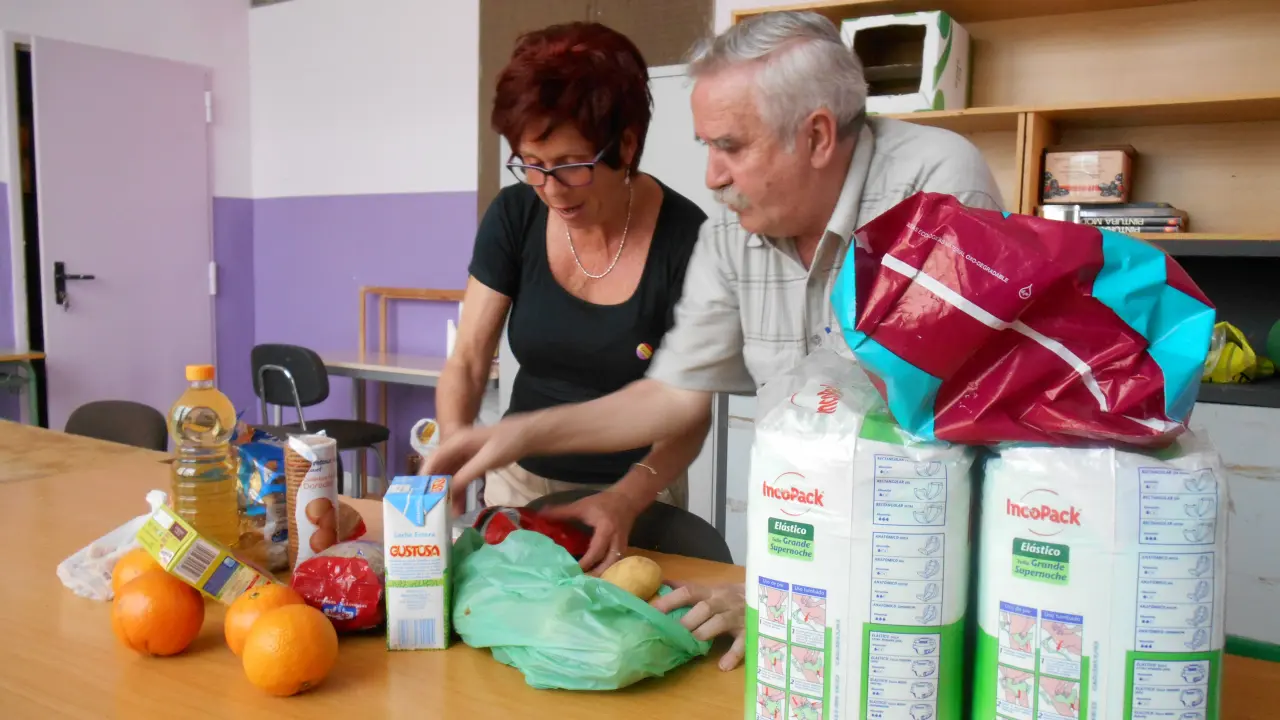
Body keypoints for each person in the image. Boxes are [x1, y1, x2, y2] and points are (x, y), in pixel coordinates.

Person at [427, 11, 1004, 670]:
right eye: (706, 146)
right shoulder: (732, 233)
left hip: (914, 567)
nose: (711, 176)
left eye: (730, 146)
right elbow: (672, 395)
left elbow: (909, 437)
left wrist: (774, 593)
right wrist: (518, 434)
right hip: (804, 537)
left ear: (816, 136)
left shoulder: (933, 184)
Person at [435, 21, 711, 574]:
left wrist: (628, 498)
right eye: (532, 165)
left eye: (570, 166)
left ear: (626, 145)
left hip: (638, 490)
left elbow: (691, 412)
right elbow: (467, 359)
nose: (551, 190)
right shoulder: (514, 216)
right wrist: (457, 448)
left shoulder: (688, 240)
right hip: (519, 483)